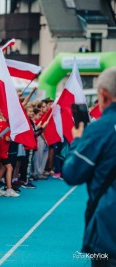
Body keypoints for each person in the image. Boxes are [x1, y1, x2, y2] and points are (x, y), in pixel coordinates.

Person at [62, 67, 116, 266]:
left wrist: (77, 141)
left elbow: (71, 173)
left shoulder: (100, 129)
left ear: (103, 95)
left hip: (108, 229)